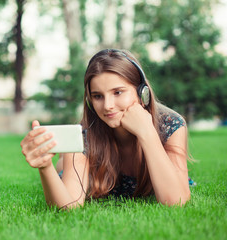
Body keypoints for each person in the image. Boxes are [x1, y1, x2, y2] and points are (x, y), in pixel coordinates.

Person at [20, 49, 191, 209]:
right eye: (98, 96)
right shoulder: (84, 136)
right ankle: (62, 163)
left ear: (142, 93)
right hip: (85, 162)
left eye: (118, 92)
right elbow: (69, 205)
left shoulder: (171, 124)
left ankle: (64, 163)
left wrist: (147, 132)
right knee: (64, 166)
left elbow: (176, 201)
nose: (108, 106)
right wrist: (45, 167)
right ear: (89, 100)